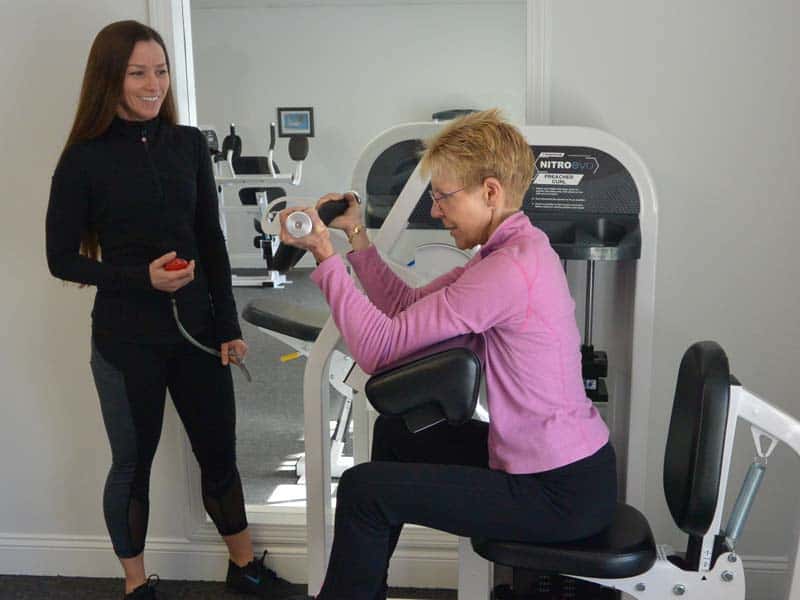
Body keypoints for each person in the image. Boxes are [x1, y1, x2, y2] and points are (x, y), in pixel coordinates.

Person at [277, 109, 617, 600]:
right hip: (549, 470)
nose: (436, 209)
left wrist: (325, 258)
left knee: (364, 491)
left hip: (557, 492)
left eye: (443, 196)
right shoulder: (511, 252)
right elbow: (406, 306)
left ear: (491, 192)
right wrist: (354, 237)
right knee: (397, 434)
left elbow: (380, 348)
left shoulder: (507, 271)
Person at [46, 20, 296, 600]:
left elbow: (211, 240)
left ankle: (243, 568)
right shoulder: (83, 160)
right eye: (138, 72)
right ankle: (136, 586)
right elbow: (60, 259)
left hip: (199, 335)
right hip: (125, 340)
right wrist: (141, 278)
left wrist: (229, 325)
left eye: (160, 71)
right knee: (131, 466)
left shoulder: (187, 144)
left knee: (220, 454)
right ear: (110, 77)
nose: (153, 83)